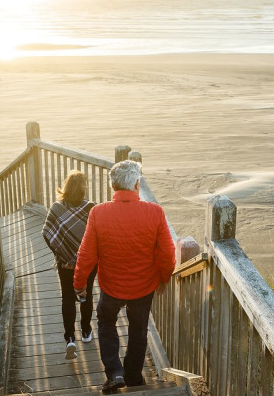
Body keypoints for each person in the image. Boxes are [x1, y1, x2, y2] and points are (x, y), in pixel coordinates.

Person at [73, 160, 176, 392]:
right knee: (139, 329)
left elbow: (86, 254)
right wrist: (164, 278)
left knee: (106, 323)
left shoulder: (98, 213)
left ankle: (114, 373)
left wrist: (79, 283)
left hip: (111, 287)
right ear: (137, 184)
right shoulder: (155, 212)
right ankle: (133, 376)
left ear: (113, 187)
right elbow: (168, 253)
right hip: (144, 286)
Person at [42, 170, 98, 360]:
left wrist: (60, 253)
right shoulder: (91, 208)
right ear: (84, 189)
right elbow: (97, 237)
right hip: (88, 263)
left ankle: (70, 339)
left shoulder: (56, 208)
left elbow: (46, 233)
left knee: (67, 297)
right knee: (86, 294)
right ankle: (86, 331)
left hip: (64, 263)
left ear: (65, 187)